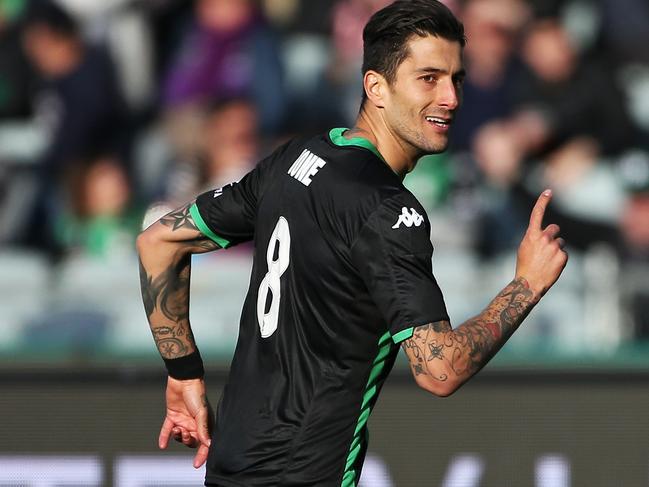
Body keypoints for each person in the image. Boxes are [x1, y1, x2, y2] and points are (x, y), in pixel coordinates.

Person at [136, 1, 568, 485]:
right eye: (428, 78)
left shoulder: (295, 160)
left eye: (457, 79)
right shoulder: (387, 211)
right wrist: (526, 285)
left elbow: (159, 242)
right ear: (375, 87)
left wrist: (183, 373)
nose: (450, 97)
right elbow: (440, 368)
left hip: (229, 472)